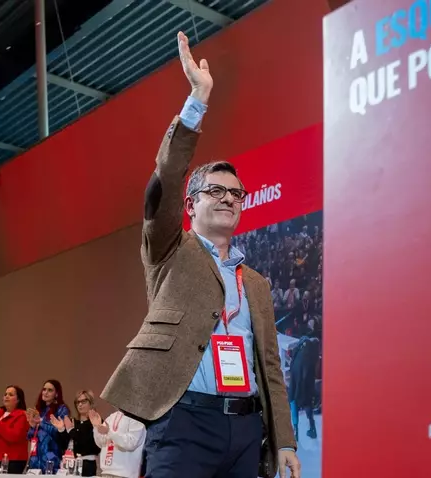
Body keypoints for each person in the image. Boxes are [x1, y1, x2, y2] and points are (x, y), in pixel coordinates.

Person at [101, 32, 300, 478]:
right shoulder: (170, 248)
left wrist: (284, 440)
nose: (229, 198)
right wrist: (198, 100)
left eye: (236, 193)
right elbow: (168, 177)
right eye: (216, 190)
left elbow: (271, 368)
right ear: (190, 205)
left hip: (246, 430)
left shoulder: (257, 284)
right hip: (184, 424)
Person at [26, 379, 70, 472]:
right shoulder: (39, 409)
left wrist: (41, 422)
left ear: (56, 394)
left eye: (50, 390)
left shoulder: (61, 409)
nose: (45, 392)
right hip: (35, 459)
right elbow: (30, 437)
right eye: (44, 389)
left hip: (51, 457)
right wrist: (33, 426)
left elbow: (59, 433)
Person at [54, 390, 101, 476]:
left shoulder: (96, 422)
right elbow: (63, 445)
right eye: (77, 402)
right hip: (69, 464)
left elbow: (89, 445)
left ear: (91, 403)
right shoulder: (74, 422)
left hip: (88, 465)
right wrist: (61, 430)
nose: (80, 404)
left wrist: (71, 430)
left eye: (83, 401)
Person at [90, 408, 146, 478]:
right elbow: (100, 443)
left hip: (125, 474)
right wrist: (96, 427)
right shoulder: (111, 417)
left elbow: (131, 443)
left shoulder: (137, 417)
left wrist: (109, 432)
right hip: (106, 472)